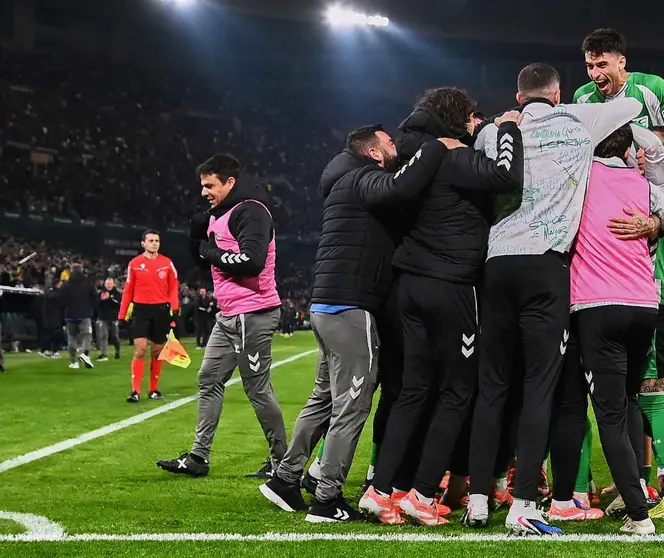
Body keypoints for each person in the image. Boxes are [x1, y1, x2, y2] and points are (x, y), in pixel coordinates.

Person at [462, 62, 645, 536]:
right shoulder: (579, 123)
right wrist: (582, 103)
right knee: (539, 387)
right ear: (558, 94)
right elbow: (632, 103)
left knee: (492, 387)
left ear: (518, 97)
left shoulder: (496, 132)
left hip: (497, 263)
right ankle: (525, 503)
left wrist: (502, 123)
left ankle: (478, 499)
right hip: (546, 267)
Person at [259, 126, 463, 523]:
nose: (395, 147)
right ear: (373, 152)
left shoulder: (344, 182)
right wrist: (437, 147)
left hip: (326, 306)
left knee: (323, 399)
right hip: (350, 308)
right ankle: (327, 498)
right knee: (352, 406)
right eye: (389, 143)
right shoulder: (364, 178)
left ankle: (285, 478)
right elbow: (401, 187)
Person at [361, 88, 524, 526]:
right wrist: (509, 129)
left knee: (413, 390)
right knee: (457, 392)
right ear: (456, 119)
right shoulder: (455, 158)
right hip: (451, 285)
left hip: (409, 283)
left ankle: (381, 490)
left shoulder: (414, 157)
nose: (474, 124)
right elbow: (507, 174)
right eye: (470, 117)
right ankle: (421, 493)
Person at [549, 124, 664, 535]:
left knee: (609, 412)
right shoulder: (645, 186)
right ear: (625, 148)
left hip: (598, 306)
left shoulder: (578, 180)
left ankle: (640, 509)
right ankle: (637, 485)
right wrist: (663, 220)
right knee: (634, 402)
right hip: (644, 308)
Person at [156, 154, 287, 479]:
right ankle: (198, 457)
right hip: (229, 314)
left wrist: (210, 250)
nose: (204, 192)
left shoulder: (252, 211)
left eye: (209, 185)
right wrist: (195, 237)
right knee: (209, 379)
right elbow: (204, 263)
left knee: (257, 389)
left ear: (230, 182)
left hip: (253, 312)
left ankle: (282, 464)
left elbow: (252, 261)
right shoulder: (221, 214)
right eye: (202, 186)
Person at [574, 28, 664, 160]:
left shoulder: (655, 88)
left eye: (602, 65)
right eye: (590, 66)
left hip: (652, 172)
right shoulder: (582, 98)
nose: (594, 74)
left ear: (621, 63)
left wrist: (658, 171)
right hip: (606, 171)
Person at [118, 230, 180, 402]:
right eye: (151, 240)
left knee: (157, 351)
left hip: (161, 310)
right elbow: (128, 291)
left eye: (157, 241)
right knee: (140, 350)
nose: (154, 243)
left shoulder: (167, 263)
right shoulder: (134, 263)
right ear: (143, 243)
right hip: (141, 310)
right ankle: (135, 391)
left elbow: (173, 288)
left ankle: (153, 389)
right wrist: (122, 315)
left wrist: (175, 309)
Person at [60, 264, 97, 370]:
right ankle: (84, 354)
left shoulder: (66, 284)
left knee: (71, 338)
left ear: (71, 271)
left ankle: (74, 362)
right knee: (87, 335)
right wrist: (92, 310)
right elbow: (94, 298)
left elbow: (61, 300)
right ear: (82, 270)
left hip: (70, 315)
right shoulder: (88, 283)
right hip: (84, 314)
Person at [95, 278, 122, 361]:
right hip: (103, 318)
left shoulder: (117, 294)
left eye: (110, 284)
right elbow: (97, 305)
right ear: (105, 284)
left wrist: (109, 299)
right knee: (103, 336)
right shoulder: (101, 294)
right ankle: (104, 354)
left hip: (114, 318)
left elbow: (118, 304)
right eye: (107, 284)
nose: (109, 285)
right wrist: (101, 300)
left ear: (113, 284)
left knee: (114, 336)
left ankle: (117, 351)